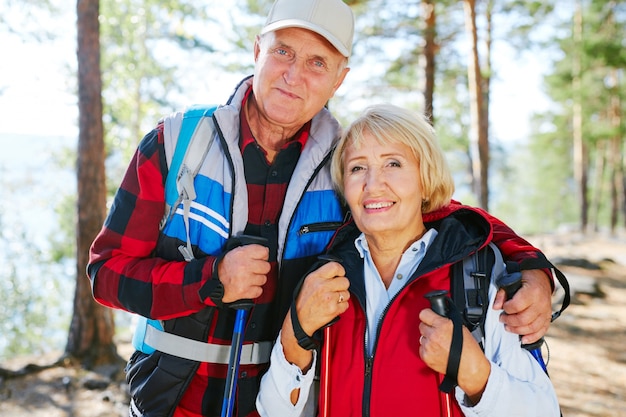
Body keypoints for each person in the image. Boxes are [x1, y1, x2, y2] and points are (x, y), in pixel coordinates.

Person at [87, 1, 557, 416]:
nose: (294, 75)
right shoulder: (177, 143)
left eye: (317, 62)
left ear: (339, 78)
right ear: (257, 50)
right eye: (283, 51)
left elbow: (435, 213)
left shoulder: (348, 164)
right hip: (171, 402)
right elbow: (105, 274)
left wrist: (530, 263)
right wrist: (209, 280)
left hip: (286, 403)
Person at [256, 104, 561, 417]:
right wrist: (297, 329)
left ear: (424, 179)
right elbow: (274, 411)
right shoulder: (326, 278)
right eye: (357, 168)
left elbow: (544, 411)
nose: (373, 185)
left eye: (393, 163)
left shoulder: (480, 275)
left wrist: (474, 373)